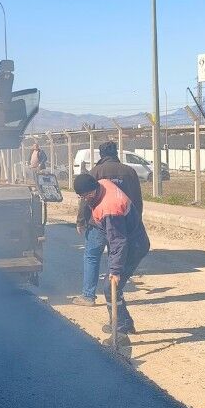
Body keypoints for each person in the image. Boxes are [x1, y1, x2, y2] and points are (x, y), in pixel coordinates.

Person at [73, 171, 150, 345]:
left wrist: (115, 271)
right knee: (114, 286)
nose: (84, 200)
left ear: (92, 191)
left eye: (85, 196)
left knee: (111, 286)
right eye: (81, 196)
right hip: (131, 240)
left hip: (133, 246)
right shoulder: (103, 183)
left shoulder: (110, 208)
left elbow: (118, 242)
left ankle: (120, 332)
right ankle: (125, 322)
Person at [72, 142, 144, 307]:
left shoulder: (96, 172)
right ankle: (114, 294)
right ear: (116, 152)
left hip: (97, 224)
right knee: (116, 256)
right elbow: (137, 199)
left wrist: (81, 220)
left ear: (101, 154)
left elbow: (85, 200)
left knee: (91, 257)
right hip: (122, 224)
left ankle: (88, 296)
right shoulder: (130, 171)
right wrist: (135, 221)